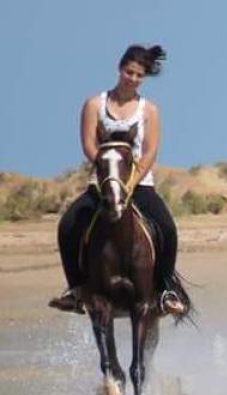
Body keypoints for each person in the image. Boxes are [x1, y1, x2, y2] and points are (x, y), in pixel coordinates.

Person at [49, 44, 187, 316]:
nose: (133, 78)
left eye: (139, 75)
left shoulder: (149, 111)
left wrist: (130, 182)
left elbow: (149, 152)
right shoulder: (94, 105)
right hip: (101, 183)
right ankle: (76, 290)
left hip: (139, 185)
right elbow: (89, 144)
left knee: (168, 229)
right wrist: (107, 174)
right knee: (67, 225)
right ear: (120, 68)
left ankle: (166, 290)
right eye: (129, 72)